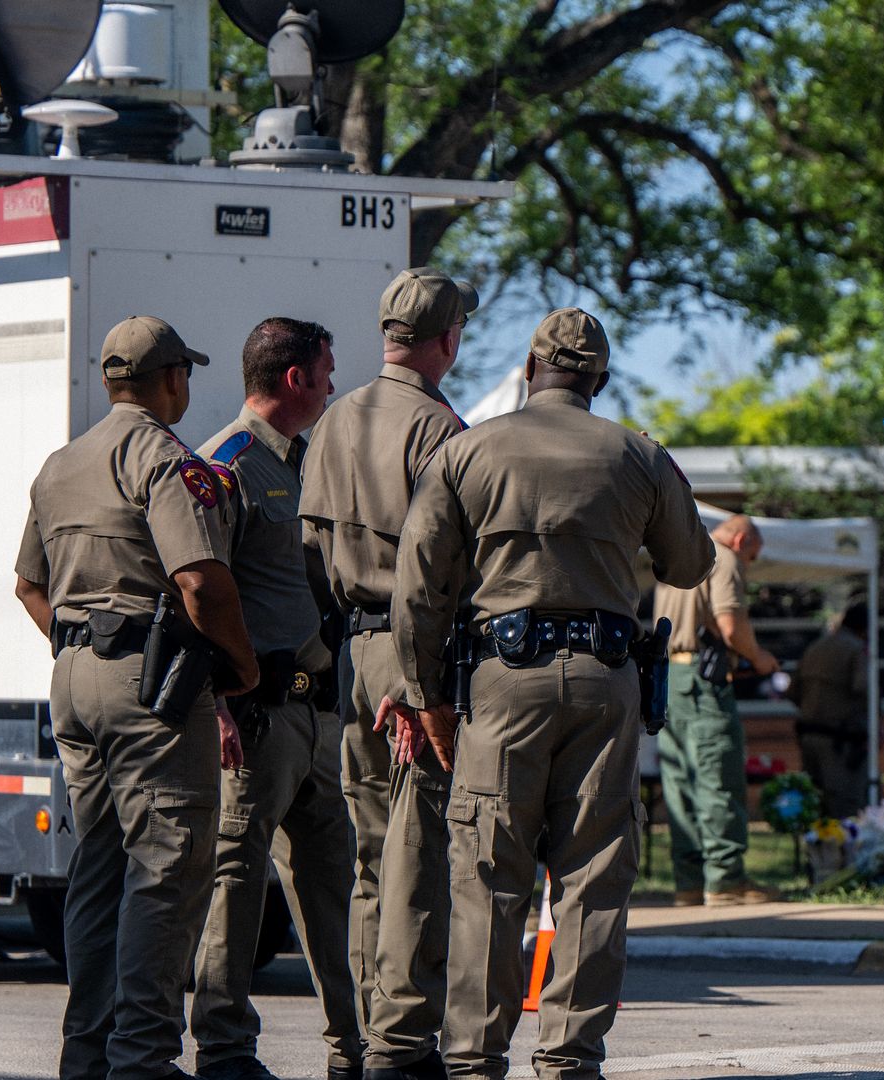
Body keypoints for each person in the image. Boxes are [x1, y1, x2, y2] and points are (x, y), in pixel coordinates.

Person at [379, 307, 714, 1078]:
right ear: (599, 380)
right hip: (605, 680)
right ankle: (569, 1061)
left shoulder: (468, 452)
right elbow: (691, 565)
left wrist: (427, 694)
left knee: (490, 875)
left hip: (502, 681)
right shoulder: (638, 454)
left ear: (531, 370)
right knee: (593, 877)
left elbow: (419, 589)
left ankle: (473, 1062)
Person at [14, 315, 260, 1080]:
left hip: (74, 677)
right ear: (172, 380)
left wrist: (87, 646)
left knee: (101, 867)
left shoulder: (61, 464)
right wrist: (240, 667)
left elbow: (28, 585)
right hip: (148, 688)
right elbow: (198, 579)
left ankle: (88, 1053)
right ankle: (143, 1059)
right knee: (169, 865)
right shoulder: (162, 456)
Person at [300, 267, 476, 1080]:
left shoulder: (334, 419)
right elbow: (436, 569)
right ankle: (403, 1046)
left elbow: (306, 553)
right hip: (413, 653)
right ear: (445, 340)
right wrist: (421, 681)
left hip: (353, 650)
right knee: (418, 853)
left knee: (373, 857)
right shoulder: (437, 427)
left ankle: (368, 1037)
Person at [190, 318, 363, 1080]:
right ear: (294, 378)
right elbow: (192, 589)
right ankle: (226, 1050)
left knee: (335, 886)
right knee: (235, 886)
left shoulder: (305, 464)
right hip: (256, 720)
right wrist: (216, 705)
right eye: (325, 370)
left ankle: (356, 1049)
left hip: (317, 714)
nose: (333, 382)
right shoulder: (224, 466)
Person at [653, 515, 780, 906]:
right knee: (717, 776)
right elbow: (730, 626)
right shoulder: (722, 558)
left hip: (670, 677)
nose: (750, 565)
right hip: (704, 683)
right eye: (753, 557)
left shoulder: (679, 557)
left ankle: (689, 882)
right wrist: (760, 659)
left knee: (680, 784)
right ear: (741, 539)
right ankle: (726, 879)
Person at [792, 606, 872, 818]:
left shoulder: (816, 646)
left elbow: (793, 691)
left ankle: (817, 850)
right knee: (844, 807)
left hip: (809, 735)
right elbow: (863, 689)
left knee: (815, 803)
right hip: (839, 741)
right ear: (864, 629)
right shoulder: (856, 649)